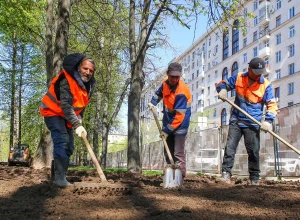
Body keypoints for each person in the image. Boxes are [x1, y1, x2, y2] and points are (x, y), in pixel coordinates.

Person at [216, 57, 278, 185]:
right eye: (255, 72)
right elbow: (223, 83)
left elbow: (272, 105)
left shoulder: (266, 85)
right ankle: (226, 174)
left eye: (260, 73)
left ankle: (254, 178)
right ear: (249, 69)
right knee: (230, 149)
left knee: (254, 151)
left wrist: (268, 121)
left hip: (253, 123)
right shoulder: (239, 77)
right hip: (236, 121)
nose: (258, 76)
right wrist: (222, 89)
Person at [40, 53, 96, 187]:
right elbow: (65, 105)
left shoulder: (88, 86)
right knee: (62, 141)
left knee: (70, 147)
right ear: (79, 68)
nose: (87, 72)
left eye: (91, 71)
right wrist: (76, 124)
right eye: (85, 68)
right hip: (52, 112)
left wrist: (79, 120)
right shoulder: (66, 79)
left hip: (66, 116)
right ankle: (60, 179)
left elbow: (81, 105)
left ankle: (56, 176)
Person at [149, 62, 192, 180]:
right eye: (172, 76)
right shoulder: (164, 83)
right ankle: (169, 176)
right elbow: (159, 94)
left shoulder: (182, 91)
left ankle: (180, 178)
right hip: (168, 120)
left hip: (181, 122)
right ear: (167, 74)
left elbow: (179, 116)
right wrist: (153, 103)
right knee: (167, 150)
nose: (174, 79)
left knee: (178, 152)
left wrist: (167, 130)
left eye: (177, 77)